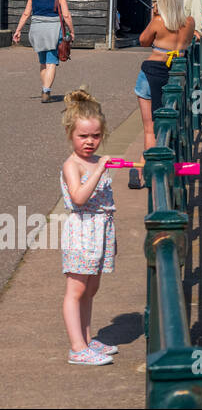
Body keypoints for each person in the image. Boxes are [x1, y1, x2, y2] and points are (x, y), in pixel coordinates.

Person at [60, 88, 118, 366]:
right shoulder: (73, 164)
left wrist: (99, 167)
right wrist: (98, 171)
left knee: (91, 289)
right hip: (81, 233)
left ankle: (86, 337)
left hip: (100, 232)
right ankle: (76, 348)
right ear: (71, 134)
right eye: (83, 136)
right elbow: (78, 197)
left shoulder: (96, 162)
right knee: (76, 291)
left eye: (95, 136)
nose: (90, 142)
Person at [135, 0, 195, 151]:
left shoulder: (158, 21)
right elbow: (188, 42)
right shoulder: (190, 22)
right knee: (172, 123)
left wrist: (154, 17)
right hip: (176, 73)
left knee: (150, 130)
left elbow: (143, 41)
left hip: (152, 72)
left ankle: (149, 172)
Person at [11, 0, 75, 102]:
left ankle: (45, 88)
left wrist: (18, 30)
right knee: (51, 62)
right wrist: (72, 31)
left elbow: (26, 14)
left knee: (43, 62)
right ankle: (46, 92)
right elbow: (66, 15)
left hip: (36, 29)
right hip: (53, 29)